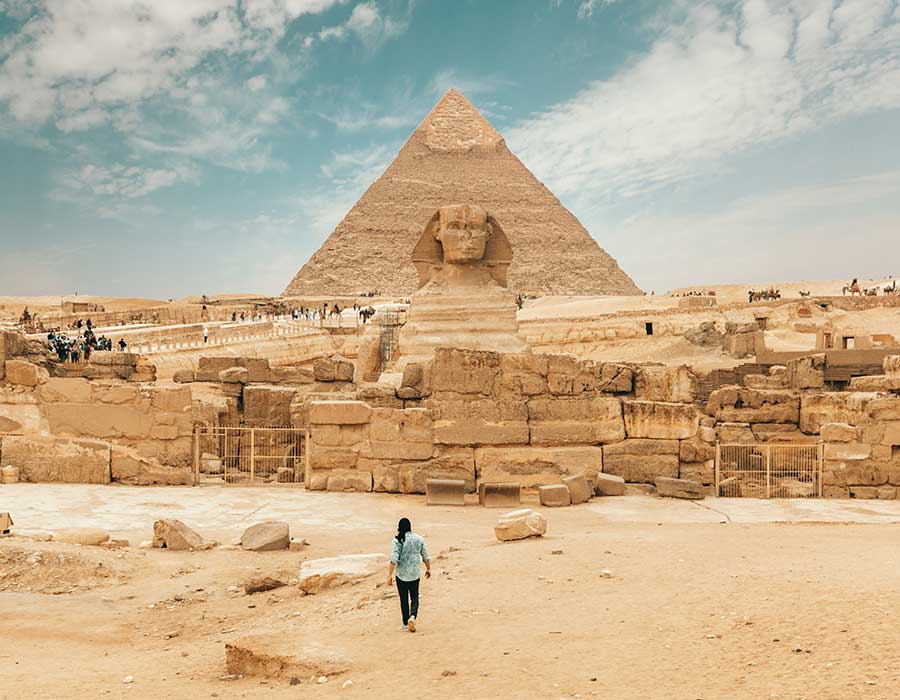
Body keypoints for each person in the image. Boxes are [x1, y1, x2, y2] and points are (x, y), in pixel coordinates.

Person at [387, 517, 431, 633]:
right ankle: (413, 616)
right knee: (415, 597)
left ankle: (405, 623)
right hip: (415, 574)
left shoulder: (397, 540)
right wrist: (428, 569)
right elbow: (425, 556)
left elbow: (393, 559)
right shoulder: (419, 539)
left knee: (404, 599)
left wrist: (389, 575)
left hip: (401, 575)